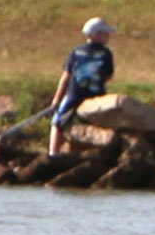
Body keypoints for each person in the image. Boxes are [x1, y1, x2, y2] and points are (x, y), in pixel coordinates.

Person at [48, 18, 116, 156]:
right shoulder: (106, 53)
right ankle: (102, 152)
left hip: (74, 93)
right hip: (97, 95)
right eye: (105, 33)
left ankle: (53, 152)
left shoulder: (76, 52)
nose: (108, 36)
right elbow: (108, 76)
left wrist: (57, 99)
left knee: (57, 122)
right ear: (95, 34)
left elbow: (66, 76)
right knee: (101, 123)